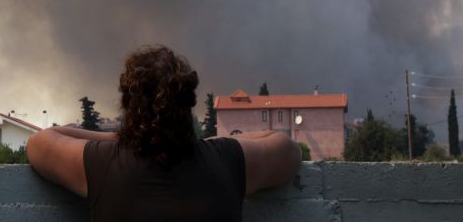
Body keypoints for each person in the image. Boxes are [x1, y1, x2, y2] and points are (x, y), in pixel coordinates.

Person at [27, 45, 302, 221]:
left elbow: (40, 143)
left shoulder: (103, 164)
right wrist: (206, 143)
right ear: (187, 104)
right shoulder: (227, 160)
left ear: (128, 104)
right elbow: (287, 148)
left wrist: (126, 138)